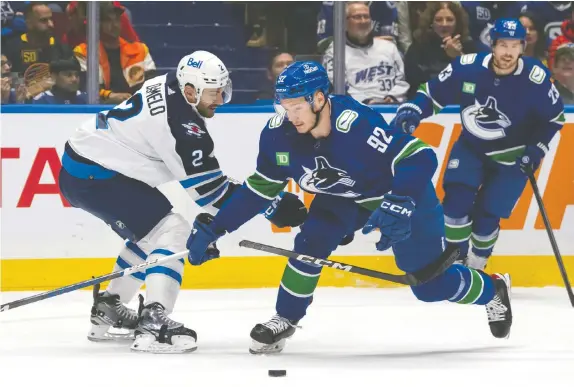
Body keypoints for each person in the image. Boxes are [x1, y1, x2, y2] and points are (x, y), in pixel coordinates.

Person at [185, 61, 513, 355]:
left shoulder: (356, 126)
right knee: (311, 241)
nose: (290, 116)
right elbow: (258, 191)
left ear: (318, 99)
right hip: (342, 197)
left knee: (429, 288)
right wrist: (217, 226)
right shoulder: (277, 136)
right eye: (285, 107)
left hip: (395, 195)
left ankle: (493, 289)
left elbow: (419, 154)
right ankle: (285, 317)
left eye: (297, 106)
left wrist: (401, 201)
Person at [58, 50, 308, 354]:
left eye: (221, 90)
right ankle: (154, 320)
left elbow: (210, 187)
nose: (219, 99)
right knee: (173, 231)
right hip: (96, 175)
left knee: (152, 232)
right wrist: (272, 205)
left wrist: (267, 203)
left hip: (87, 165)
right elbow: (211, 194)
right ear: (190, 91)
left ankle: (109, 308)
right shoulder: (181, 127)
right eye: (214, 93)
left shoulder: (172, 82)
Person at [391, 18, 565, 270]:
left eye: (515, 45)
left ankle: (477, 263)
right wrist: (413, 110)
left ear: (522, 47)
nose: (508, 52)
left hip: (513, 158)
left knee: (487, 217)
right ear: (492, 45)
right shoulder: (467, 67)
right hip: (472, 147)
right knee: (455, 203)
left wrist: (536, 150)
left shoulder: (535, 79)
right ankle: (454, 259)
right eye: (503, 45)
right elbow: (431, 93)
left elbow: (553, 120)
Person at [322, 2, 409, 105]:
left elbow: (402, 79)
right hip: (356, 108)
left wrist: (392, 97)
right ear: (345, 22)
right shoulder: (335, 52)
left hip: (392, 106)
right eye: (357, 17)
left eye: (366, 17)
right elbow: (338, 87)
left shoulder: (389, 48)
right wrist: (366, 101)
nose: (363, 21)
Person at [73, 2, 155, 104]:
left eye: (117, 19)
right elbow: (84, 88)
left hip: (137, 106)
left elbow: (153, 83)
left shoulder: (140, 49)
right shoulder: (84, 52)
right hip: (102, 108)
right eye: (108, 20)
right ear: (97, 24)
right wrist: (110, 96)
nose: (114, 24)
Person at [404, 2, 476, 99]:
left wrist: (458, 57)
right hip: (427, 102)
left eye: (450, 20)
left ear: (457, 23)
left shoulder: (470, 47)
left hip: (459, 104)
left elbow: (475, 85)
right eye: (438, 20)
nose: (444, 24)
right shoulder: (417, 48)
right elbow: (413, 85)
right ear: (431, 23)